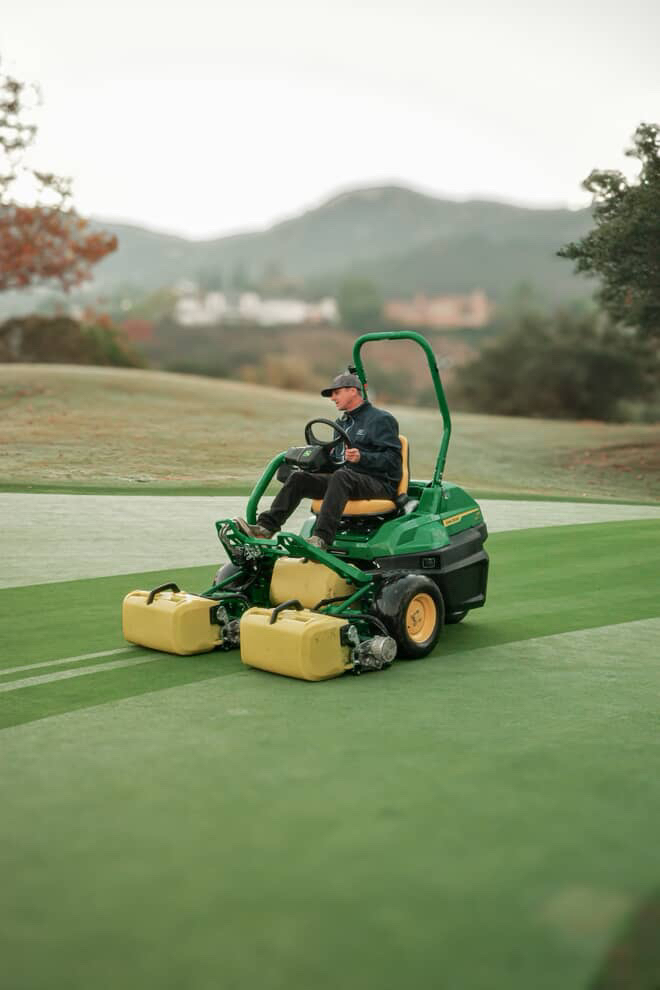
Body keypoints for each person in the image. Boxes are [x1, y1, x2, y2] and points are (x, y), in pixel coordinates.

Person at [235, 372, 402, 550]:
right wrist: (316, 463)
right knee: (300, 478)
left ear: (353, 391)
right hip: (347, 480)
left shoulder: (381, 420)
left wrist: (363, 457)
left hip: (379, 483)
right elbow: (338, 461)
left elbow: (393, 461)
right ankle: (265, 528)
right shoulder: (342, 422)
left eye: (336, 393)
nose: (332, 398)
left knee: (342, 477)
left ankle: (321, 538)